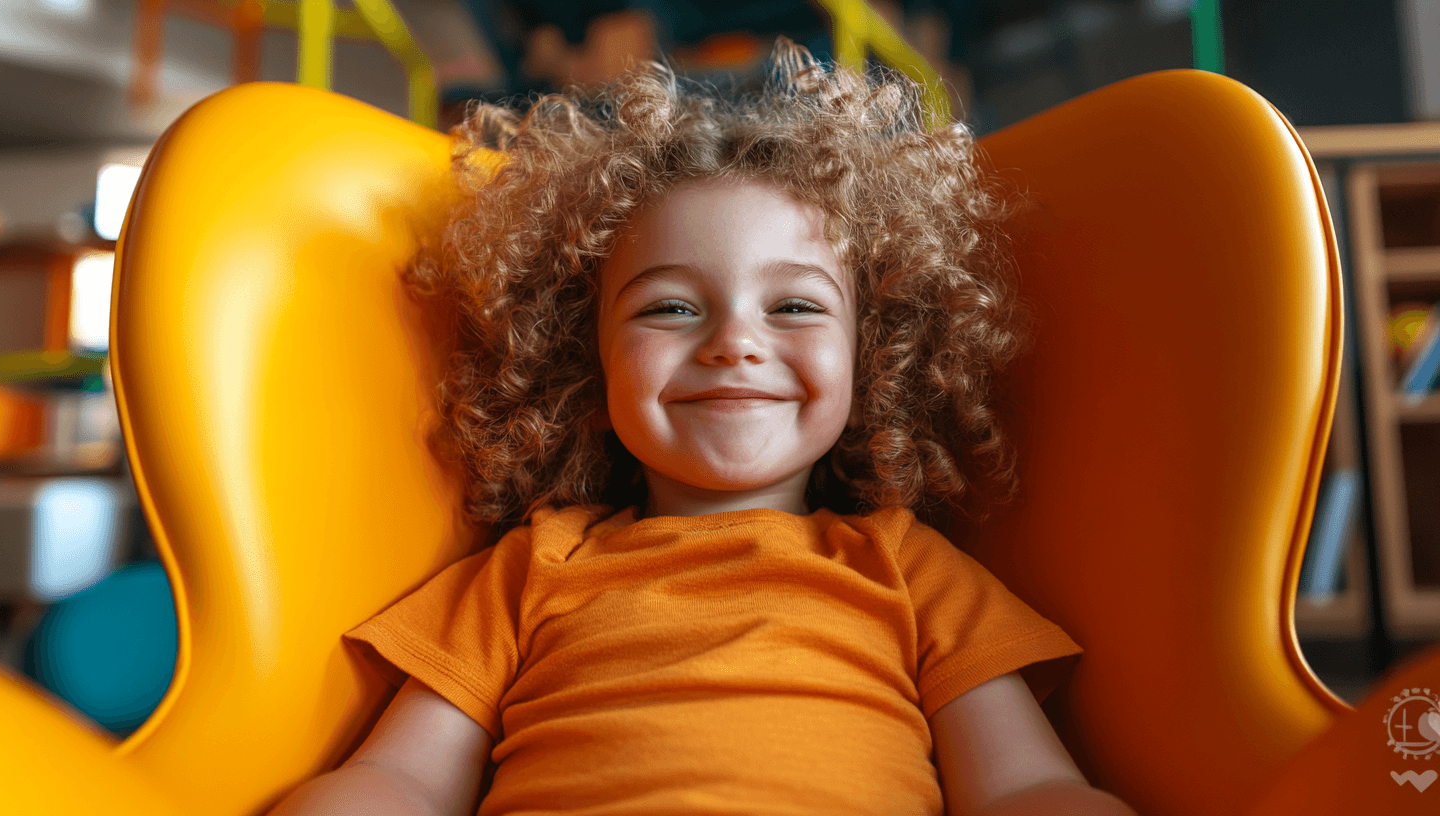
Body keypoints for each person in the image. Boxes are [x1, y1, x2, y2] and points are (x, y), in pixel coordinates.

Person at [269, 37, 1139, 816]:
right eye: (672, 308)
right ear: (588, 357)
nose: (733, 345)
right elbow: (406, 780)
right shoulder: (529, 572)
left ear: (873, 355)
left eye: (794, 304)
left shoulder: (909, 572)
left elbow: (1024, 786)